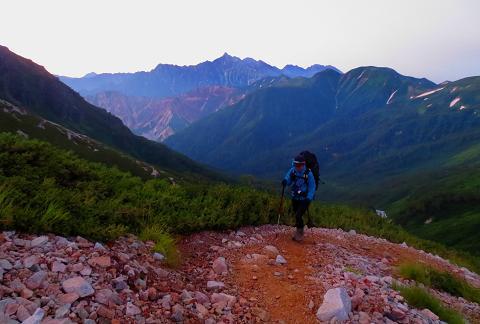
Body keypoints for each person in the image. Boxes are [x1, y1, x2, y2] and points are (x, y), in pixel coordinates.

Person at [281, 154, 316, 241]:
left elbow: (312, 187)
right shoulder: (293, 171)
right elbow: (288, 178)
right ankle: (298, 229)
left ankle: (300, 233)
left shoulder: (308, 173)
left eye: (300, 165)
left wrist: (309, 198)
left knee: (298, 215)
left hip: (304, 199)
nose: (298, 167)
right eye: (296, 164)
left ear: (303, 164)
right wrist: (285, 181)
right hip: (295, 197)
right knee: (296, 214)